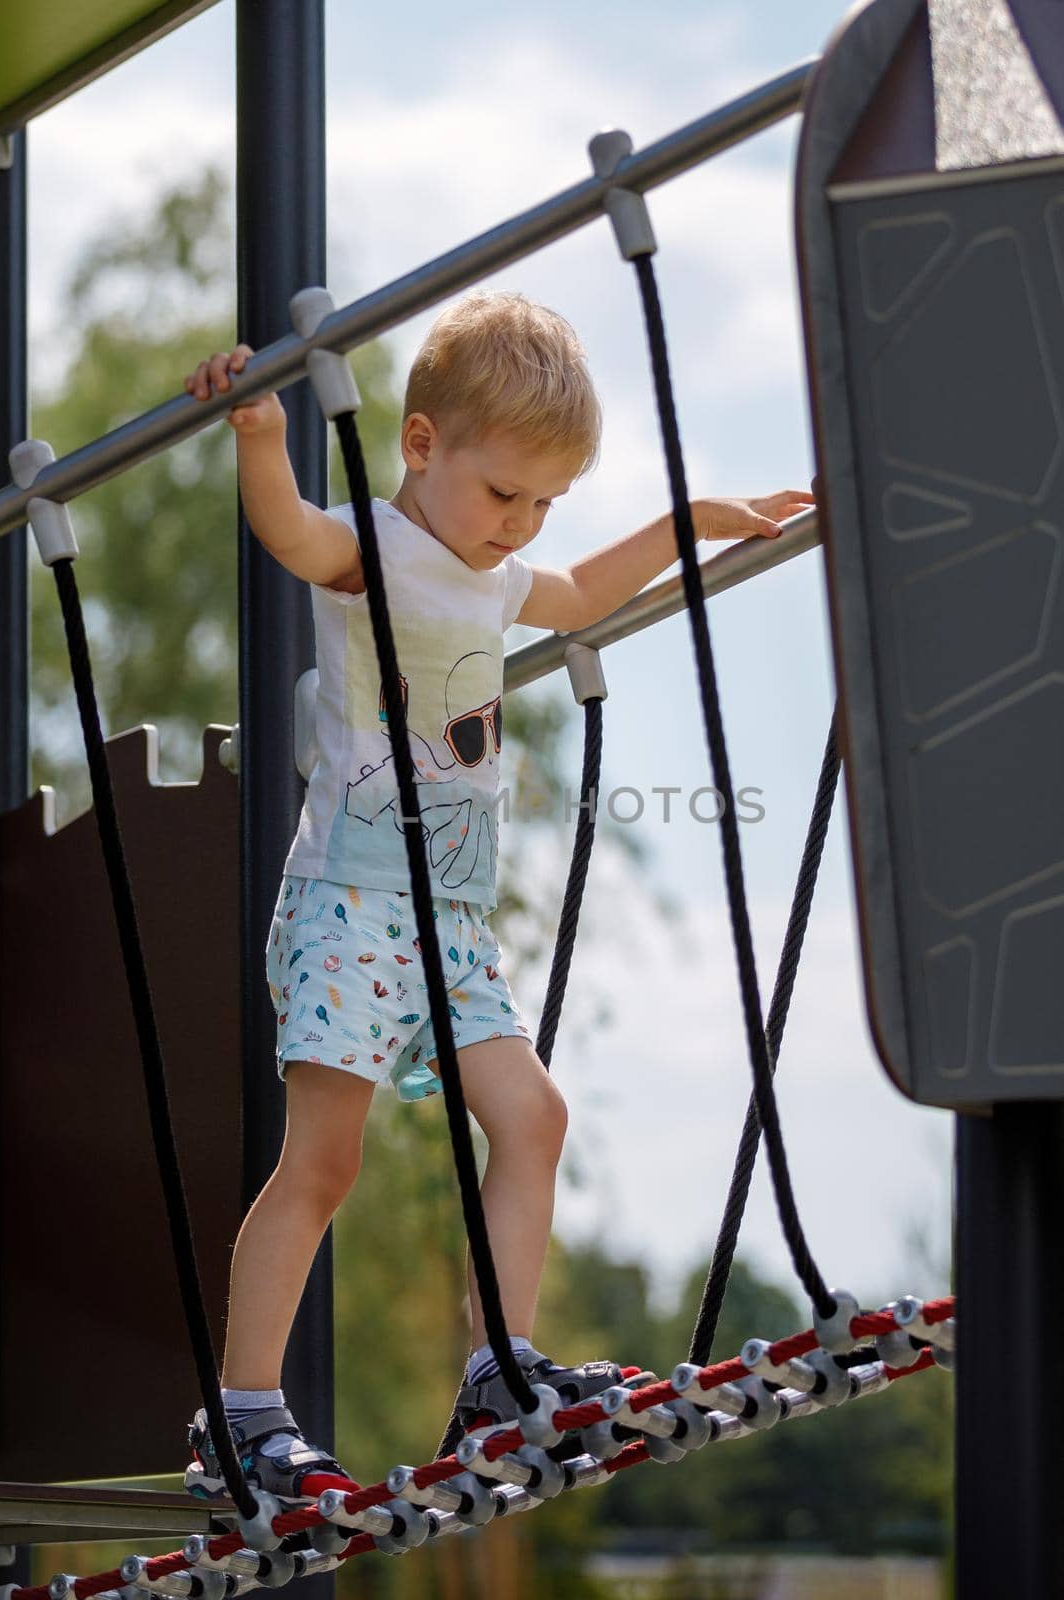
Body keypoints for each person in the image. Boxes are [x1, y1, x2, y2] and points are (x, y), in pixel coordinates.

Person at [181, 290, 814, 1502]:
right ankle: (242, 1415)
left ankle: (496, 1381)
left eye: (540, 504)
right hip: (352, 904)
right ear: (420, 446)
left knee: (532, 1118)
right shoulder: (379, 541)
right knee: (323, 1160)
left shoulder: (497, 570)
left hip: (450, 919)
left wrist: (684, 523)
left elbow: (574, 594)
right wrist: (261, 439)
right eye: (501, 494)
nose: (516, 525)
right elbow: (293, 536)